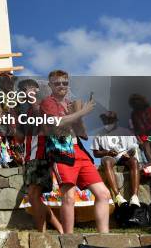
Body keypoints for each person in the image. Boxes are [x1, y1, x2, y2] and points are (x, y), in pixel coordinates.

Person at [40, 70, 109, 234]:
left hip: (78, 149)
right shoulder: (47, 102)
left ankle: (105, 237)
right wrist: (82, 111)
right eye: (57, 83)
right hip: (60, 148)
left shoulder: (70, 103)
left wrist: (78, 115)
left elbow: (83, 135)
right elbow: (56, 123)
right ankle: (68, 239)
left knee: (103, 193)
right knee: (69, 196)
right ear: (50, 85)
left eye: (64, 83)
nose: (61, 86)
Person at [14, 80, 63, 233]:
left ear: (36, 89)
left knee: (34, 195)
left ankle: (42, 233)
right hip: (30, 156)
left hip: (41, 154)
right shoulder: (26, 111)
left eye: (26, 88)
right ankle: (59, 229)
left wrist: (32, 99)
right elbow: (20, 138)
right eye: (22, 90)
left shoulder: (44, 104)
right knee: (35, 197)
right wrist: (12, 118)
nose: (24, 92)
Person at [91, 110, 140, 207]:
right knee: (106, 161)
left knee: (134, 161)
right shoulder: (98, 134)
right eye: (105, 120)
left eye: (110, 120)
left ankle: (135, 196)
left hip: (124, 156)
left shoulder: (125, 131)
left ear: (116, 121)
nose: (107, 123)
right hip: (110, 157)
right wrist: (107, 152)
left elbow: (133, 148)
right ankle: (118, 195)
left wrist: (128, 154)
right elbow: (95, 153)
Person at [129, 94, 151, 165]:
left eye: (138, 101)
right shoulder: (133, 114)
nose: (136, 103)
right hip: (144, 136)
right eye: (134, 102)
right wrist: (139, 140)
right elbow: (136, 130)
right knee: (146, 144)